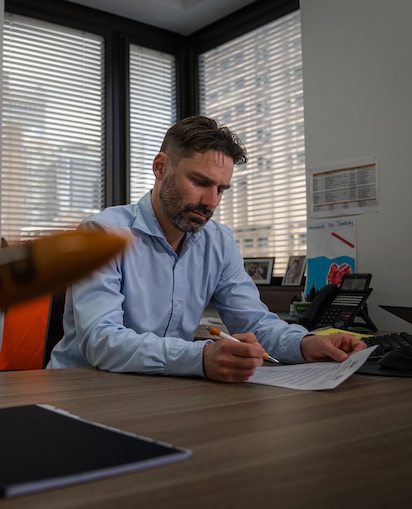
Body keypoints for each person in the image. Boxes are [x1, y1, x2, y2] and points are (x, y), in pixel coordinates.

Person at [48, 115, 365, 382]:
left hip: (162, 391)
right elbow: (102, 342)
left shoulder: (218, 241)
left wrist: (305, 344)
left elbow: (254, 324)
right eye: (200, 182)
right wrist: (200, 357)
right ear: (161, 167)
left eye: (220, 189)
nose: (211, 202)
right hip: (85, 387)